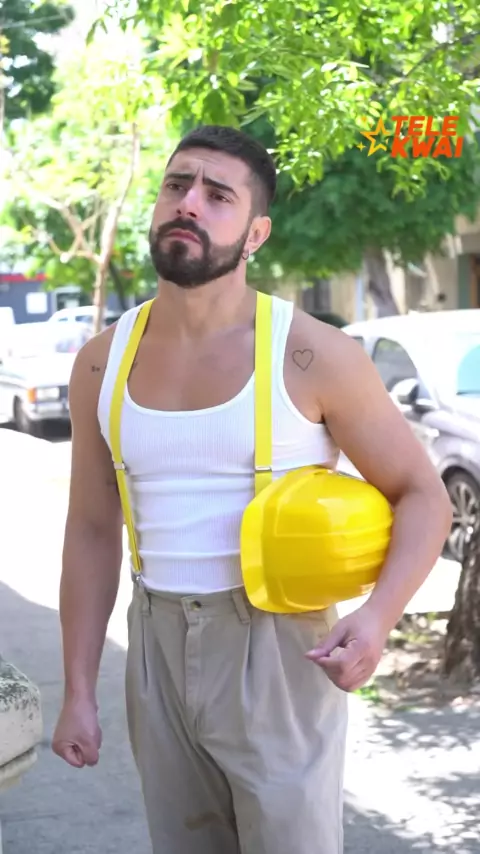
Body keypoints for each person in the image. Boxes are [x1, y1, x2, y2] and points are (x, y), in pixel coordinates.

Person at [52, 125, 452, 854]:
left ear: (256, 233)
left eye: (218, 195)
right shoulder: (100, 364)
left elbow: (423, 495)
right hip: (155, 643)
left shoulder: (312, 355)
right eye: (177, 185)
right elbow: (90, 529)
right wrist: (78, 688)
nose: (189, 203)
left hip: (278, 646)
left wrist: (376, 619)